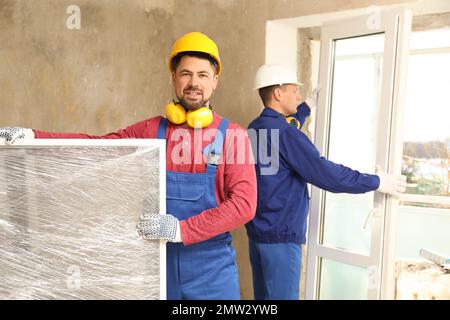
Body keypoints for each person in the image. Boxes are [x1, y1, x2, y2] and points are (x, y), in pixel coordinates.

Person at [0, 32, 257, 300]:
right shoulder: (151, 130)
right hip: (156, 264)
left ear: (215, 81)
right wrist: (33, 137)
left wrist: (181, 230)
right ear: (173, 78)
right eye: (186, 74)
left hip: (211, 272)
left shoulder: (233, 136)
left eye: (203, 75)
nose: (194, 82)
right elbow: (96, 148)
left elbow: (244, 205)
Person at [245, 63, 407, 300]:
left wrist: (305, 107)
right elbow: (327, 175)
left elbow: (284, 130)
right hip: (281, 239)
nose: (298, 95)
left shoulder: (254, 128)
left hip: (258, 235)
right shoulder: (288, 135)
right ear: (278, 93)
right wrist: (376, 181)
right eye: (293, 91)